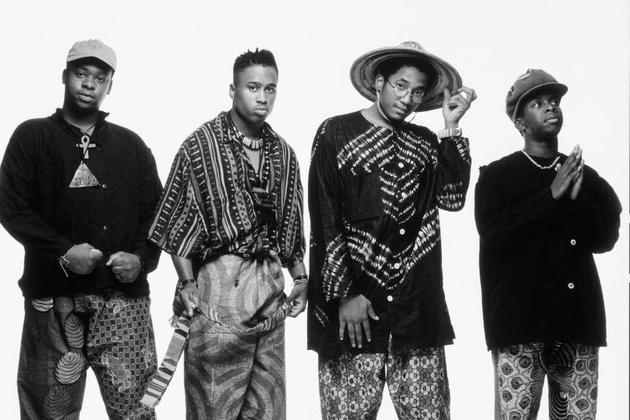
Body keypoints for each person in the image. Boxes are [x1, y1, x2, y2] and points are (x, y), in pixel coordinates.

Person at [307, 41, 476, 419]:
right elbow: (324, 218)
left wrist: (451, 128)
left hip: (415, 314)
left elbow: (452, 198)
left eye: (417, 92)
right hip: (355, 318)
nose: (407, 98)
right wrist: (346, 294)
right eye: (400, 85)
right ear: (379, 83)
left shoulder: (425, 142)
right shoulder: (337, 132)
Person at [0, 39, 162, 419]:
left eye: (100, 77)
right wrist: (62, 251)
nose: (89, 83)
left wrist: (141, 260)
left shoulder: (131, 144)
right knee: (47, 412)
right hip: (53, 298)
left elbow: (157, 213)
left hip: (124, 302)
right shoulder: (32, 136)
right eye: (81, 73)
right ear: (64, 76)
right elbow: (11, 207)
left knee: (136, 413)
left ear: (110, 85)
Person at [147, 48, 306, 419]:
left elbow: (291, 232)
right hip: (217, 297)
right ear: (233, 90)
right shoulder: (200, 146)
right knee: (213, 410)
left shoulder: (284, 154)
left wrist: (301, 279)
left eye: (270, 88)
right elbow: (179, 223)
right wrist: (187, 283)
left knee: (268, 411)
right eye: (253, 87)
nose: (263, 97)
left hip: (270, 299)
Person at [474, 69, 621, 419]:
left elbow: (607, 237)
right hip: (519, 328)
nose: (550, 107)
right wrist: (551, 195)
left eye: (553, 101)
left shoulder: (584, 175)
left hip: (576, 325)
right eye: (537, 104)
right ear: (519, 123)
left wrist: (575, 198)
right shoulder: (497, 176)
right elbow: (494, 234)